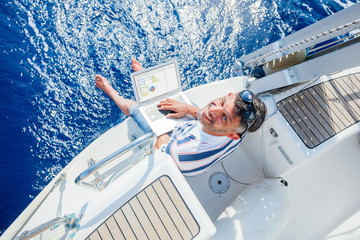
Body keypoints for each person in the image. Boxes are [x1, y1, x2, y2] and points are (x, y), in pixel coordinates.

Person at [95, 58, 267, 176]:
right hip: (199, 128)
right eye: (222, 101)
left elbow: (161, 151)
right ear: (228, 94)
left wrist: (160, 125)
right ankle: (146, 82)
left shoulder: (181, 153)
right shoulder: (242, 129)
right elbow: (210, 115)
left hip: (174, 141)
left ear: (231, 134)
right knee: (181, 103)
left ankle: (111, 91)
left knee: (138, 110)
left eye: (225, 117)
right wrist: (187, 109)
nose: (213, 110)